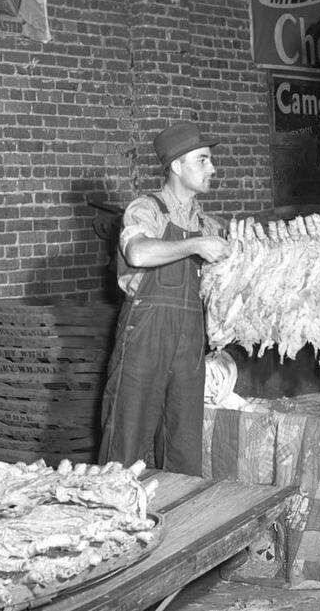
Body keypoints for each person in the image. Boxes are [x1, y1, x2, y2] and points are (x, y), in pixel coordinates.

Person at [98, 120, 230, 476]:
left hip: (190, 339)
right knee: (126, 437)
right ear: (176, 165)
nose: (212, 169)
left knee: (184, 443)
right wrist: (195, 245)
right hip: (146, 336)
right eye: (202, 160)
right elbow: (138, 254)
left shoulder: (209, 225)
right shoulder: (147, 209)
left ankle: (181, 520)